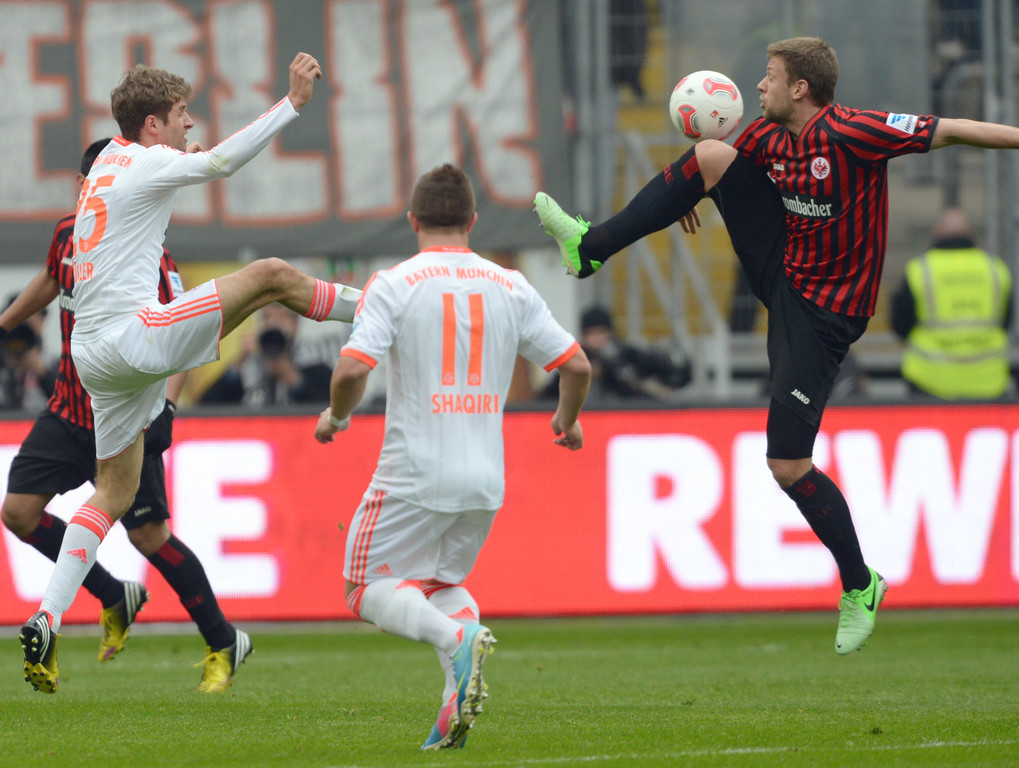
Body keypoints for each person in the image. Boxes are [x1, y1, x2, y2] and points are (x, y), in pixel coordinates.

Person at [533, 36, 1019, 655]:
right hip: (781, 270)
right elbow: (715, 171)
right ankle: (588, 247)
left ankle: (860, 583)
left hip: (824, 316)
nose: (758, 86)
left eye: (770, 76)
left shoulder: (855, 132)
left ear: (800, 88)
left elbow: (952, 130)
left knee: (788, 464)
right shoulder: (767, 136)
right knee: (709, 155)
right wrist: (686, 193)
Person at [18, 53, 363, 694]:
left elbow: (157, 179)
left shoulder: (107, 165)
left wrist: (181, 157)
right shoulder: (146, 163)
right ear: (152, 124)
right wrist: (291, 104)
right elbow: (222, 163)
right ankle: (383, 311)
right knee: (270, 276)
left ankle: (48, 617)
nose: (190, 123)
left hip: (92, 360)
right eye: (181, 114)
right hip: (136, 340)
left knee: (113, 494)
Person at [313, 164, 591, 750]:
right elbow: (576, 365)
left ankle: (456, 640)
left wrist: (335, 418)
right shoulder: (511, 285)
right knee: (440, 583)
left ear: (413, 220)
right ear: (472, 220)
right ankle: (452, 702)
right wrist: (566, 421)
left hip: (413, 473)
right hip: (485, 480)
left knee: (363, 587)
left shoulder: (395, 283)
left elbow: (351, 371)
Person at [1, 138, 253, 693]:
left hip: (128, 414)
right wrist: (5, 322)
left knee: (150, 537)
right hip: (69, 411)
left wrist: (169, 405)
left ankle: (224, 640)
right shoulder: (68, 235)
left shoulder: (152, 258)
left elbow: (186, 335)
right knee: (17, 513)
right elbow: (50, 278)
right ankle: (112, 593)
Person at [890, 207, 1013, 399]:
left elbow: (900, 325)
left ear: (938, 232)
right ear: (970, 233)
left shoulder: (920, 270)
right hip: (988, 382)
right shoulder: (996, 269)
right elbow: (1006, 322)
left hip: (929, 381)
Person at [542, 304, 690, 402]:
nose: (596, 339)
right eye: (591, 334)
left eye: (601, 333)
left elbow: (644, 382)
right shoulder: (576, 360)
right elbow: (548, 396)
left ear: (610, 333)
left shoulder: (626, 355)